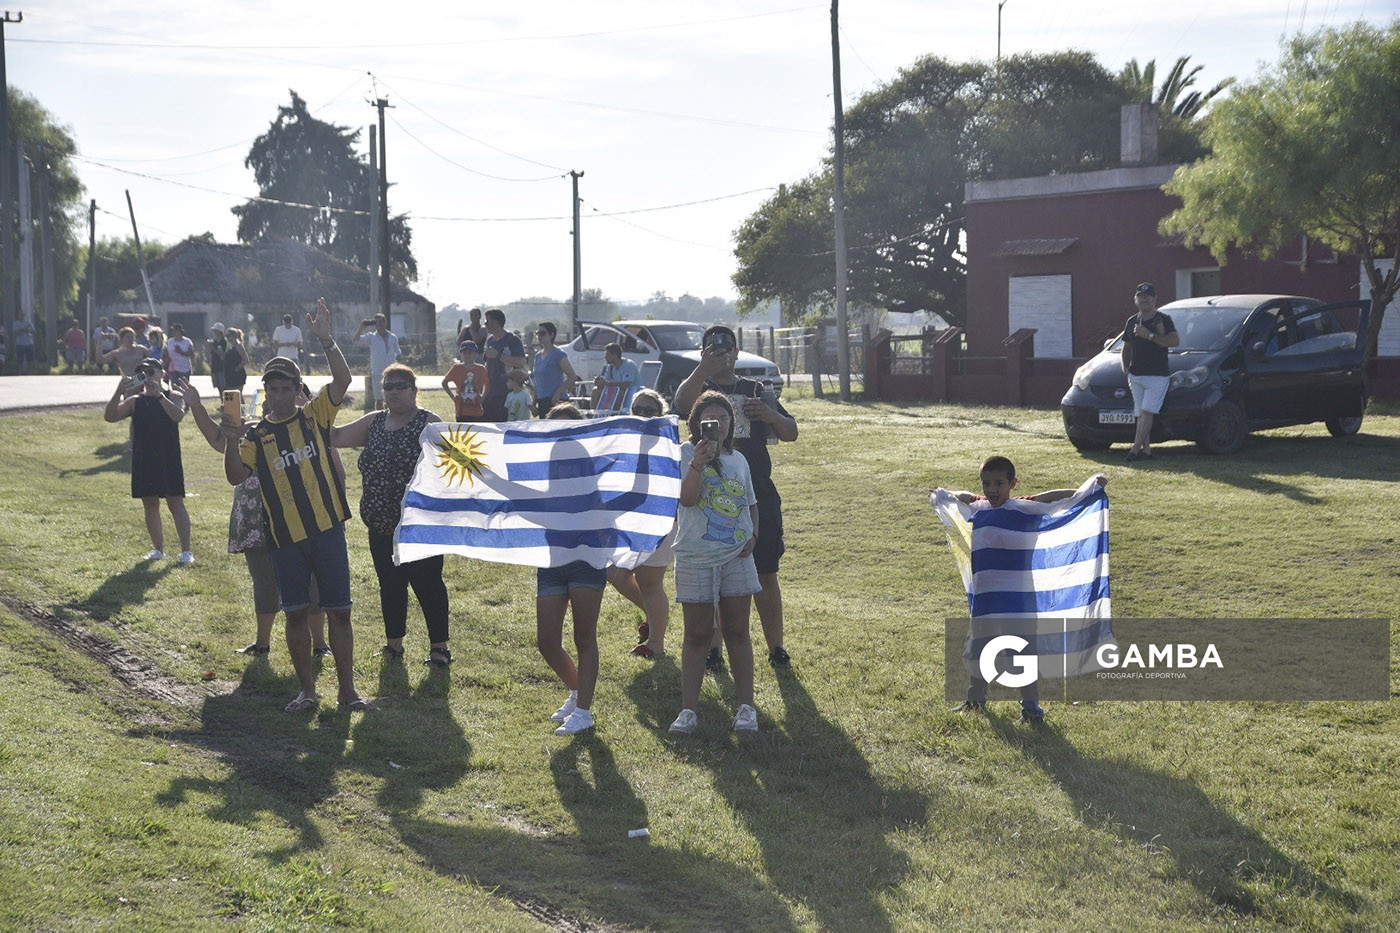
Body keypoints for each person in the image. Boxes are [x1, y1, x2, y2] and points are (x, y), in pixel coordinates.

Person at [223, 300, 376, 714]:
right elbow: (236, 476)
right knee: (295, 615)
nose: (278, 396)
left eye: (285, 388)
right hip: (285, 539)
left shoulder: (315, 415)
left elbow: (343, 379)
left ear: (296, 389)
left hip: (327, 530)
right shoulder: (255, 436)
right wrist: (231, 439)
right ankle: (307, 691)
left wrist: (325, 339)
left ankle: (348, 692)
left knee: (339, 613)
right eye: (271, 389)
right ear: (265, 392)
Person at [947, 455, 1109, 723]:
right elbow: (963, 496)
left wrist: (1088, 488)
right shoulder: (980, 507)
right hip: (987, 598)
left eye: (999, 483)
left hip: (1020, 600)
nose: (991, 490)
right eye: (986, 483)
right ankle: (975, 699)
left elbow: (1052, 497)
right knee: (980, 646)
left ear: (1013, 484)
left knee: (1020, 654)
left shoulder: (1024, 507)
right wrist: (944, 494)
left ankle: (1032, 711)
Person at [674, 324, 798, 671]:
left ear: (737, 352)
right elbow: (681, 404)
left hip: (757, 492)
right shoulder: (701, 389)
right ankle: (713, 650)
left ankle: (777, 648)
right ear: (703, 353)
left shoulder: (755, 389)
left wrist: (770, 414)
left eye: (727, 348)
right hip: (710, 497)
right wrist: (703, 369)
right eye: (713, 349)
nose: (722, 354)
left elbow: (791, 433)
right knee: (714, 573)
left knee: (766, 571)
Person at [180, 379, 332, 658]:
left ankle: (320, 645)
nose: (274, 400)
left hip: (297, 517)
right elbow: (218, 440)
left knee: (310, 582)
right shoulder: (250, 431)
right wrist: (197, 406)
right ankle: (262, 644)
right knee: (264, 583)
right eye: (270, 394)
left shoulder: (306, 429)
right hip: (255, 518)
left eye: (285, 392)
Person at [332, 363, 453, 667]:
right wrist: (312, 410)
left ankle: (439, 648)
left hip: (420, 525)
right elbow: (335, 436)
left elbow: (457, 462)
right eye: (388, 386)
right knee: (390, 585)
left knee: (428, 584)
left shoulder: (429, 423)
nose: (394, 391)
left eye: (401, 386)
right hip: (381, 524)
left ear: (414, 390)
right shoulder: (374, 422)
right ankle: (393, 646)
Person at [668, 391, 761, 735]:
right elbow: (687, 500)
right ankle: (688, 711)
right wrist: (698, 464)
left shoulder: (739, 459)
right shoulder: (684, 454)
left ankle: (746, 708)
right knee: (696, 635)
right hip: (695, 557)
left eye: (723, 418)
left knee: (737, 632)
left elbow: (750, 503)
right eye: (709, 419)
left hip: (736, 557)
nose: (717, 424)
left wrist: (753, 536)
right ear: (695, 423)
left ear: (731, 424)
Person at [538, 402, 606, 735]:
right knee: (547, 641)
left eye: (569, 428)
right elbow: (523, 498)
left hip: (587, 561)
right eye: (556, 428)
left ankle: (584, 713)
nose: (562, 434)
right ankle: (579, 692)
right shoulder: (542, 466)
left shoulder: (594, 468)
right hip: (552, 562)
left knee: (584, 636)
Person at [606, 389, 675, 658]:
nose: (643, 414)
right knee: (615, 573)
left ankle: (655, 643)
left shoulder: (669, 444)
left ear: (661, 414)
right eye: (638, 410)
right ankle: (655, 617)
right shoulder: (624, 441)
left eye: (649, 410)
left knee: (650, 582)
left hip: (658, 520)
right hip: (629, 521)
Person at [103, 360, 194, 564]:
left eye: (150, 372)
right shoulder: (135, 401)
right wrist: (118, 392)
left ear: (162, 373)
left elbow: (177, 416)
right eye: (142, 373)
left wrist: (159, 395)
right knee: (150, 503)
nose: (147, 376)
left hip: (168, 456)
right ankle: (158, 549)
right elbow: (110, 416)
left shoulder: (173, 396)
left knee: (175, 502)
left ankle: (186, 551)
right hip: (144, 457)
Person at [1121, 282, 1179, 462]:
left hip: (1157, 375)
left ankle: (1134, 450)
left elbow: (1174, 341)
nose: (1144, 299)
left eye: (1148, 296)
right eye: (1141, 296)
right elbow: (1126, 346)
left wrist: (1151, 336)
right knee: (1140, 414)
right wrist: (1125, 367)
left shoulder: (1163, 319)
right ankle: (1146, 451)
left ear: (1154, 299)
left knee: (1147, 412)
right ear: (1135, 299)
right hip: (1136, 375)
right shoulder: (1132, 321)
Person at [481, 308, 525, 421]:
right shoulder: (490, 340)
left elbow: (521, 363)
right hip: (491, 391)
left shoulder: (513, 340)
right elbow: (487, 364)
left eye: (487, 321)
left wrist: (498, 355)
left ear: (496, 322)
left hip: (507, 391)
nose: (485, 325)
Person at [531, 321, 579, 417]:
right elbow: (537, 382)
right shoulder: (538, 356)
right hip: (542, 401)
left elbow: (572, 377)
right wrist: (534, 403)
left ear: (551, 335)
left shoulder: (558, 354)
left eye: (542, 333)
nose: (539, 336)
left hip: (556, 401)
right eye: (537, 333)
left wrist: (558, 393)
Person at [354, 313, 401, 409]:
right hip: (377, 373)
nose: (379, 324)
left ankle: (391, 417)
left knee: (391, 399)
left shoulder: (393, 337)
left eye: (381, 322)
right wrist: (361, 328)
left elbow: (399, 354)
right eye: (376, 322)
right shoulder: (371, 337)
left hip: (391, 373)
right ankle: (379, 417)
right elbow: (356, 340)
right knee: (379, 400)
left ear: (385, 322)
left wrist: (398, 368)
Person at [441, 340, 490, 422]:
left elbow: (487, 385)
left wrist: (482, 397)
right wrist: (453, 397)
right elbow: (444, 383)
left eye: (470, 353)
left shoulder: (481, 369)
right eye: (464, 353)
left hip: (476, 410)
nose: (467, 355)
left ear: (475, 354)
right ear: (461, 354)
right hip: (461, 410)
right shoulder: (457, 368)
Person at [591, 343, 640, 413]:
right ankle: (594, 414)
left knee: (617, 392)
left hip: (630, 392)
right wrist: (599, 382)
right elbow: (606, 382)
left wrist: (607, 383)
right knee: (596, 390)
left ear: (615, 355)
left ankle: (614, 414)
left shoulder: (629, 365)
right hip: (616, 391)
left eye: (607, 355)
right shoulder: (610, 367)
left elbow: (626, 385)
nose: (605, 357)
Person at [222, 327, 251, 393]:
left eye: (228, 336)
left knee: (237, 394)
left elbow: (245, 359)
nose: (227, 338)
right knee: (230, 394)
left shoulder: (238, 346)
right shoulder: (230, 346)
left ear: (233, 336)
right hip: (229, 374)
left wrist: (237, 369)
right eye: (226, 336)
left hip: (237, 374)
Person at [207, 322, 228, 391]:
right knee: (218, 385)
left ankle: (224, 397)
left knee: (223, 386)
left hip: (222, 367)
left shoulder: (224, 342)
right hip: (214, 366)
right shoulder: (214, 341)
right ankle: (221, 397)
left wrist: (213, 348)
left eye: (215, 330)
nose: (214, 332)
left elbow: (223, 354)